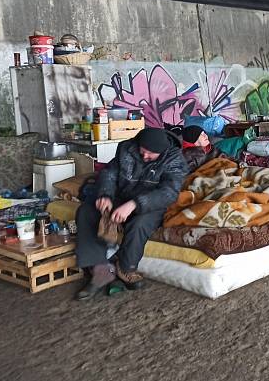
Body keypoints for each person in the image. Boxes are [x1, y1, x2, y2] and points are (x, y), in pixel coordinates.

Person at [74, 127, 187, 300]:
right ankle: (100, 269)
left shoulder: (174, 159)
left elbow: (169, 193)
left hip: (151, 204)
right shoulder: (126, 148)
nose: (145, 156)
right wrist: (105, 195)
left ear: (162, 152)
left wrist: (134, 205)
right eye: (143, 151)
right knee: (86, 211)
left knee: (140, 224)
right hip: (122, 196)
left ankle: (126, 268)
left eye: (151, 154)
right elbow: (109, 174)